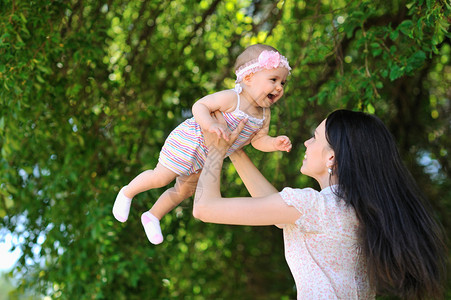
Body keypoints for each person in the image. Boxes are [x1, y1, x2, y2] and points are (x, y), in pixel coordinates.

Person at [193, 109, 447, 299]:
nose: (306, 143)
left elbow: (204, 208)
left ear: (332, 157)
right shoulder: (355, 209)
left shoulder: (312, 206)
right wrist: (234, 150)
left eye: (314, 138)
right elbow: (279, 213)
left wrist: (216, 150)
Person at [113, 44, 293, 245]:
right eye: (273, 80)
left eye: (283, 83)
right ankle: (127, 191)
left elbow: (258, 140)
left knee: (184, 190)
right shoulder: (233, 98)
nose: (279, 87)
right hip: (188, 142)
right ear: (249, 78)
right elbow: (200, 106)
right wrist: (211, 124)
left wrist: (274, 143)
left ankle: (153, 216)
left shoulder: (264, 115)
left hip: (205, 157)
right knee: (161, 177)